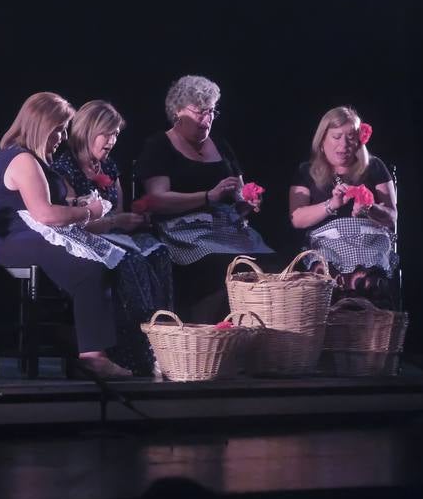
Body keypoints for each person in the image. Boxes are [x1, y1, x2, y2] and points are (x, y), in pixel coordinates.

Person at [0, 92, 129, 379]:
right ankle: (92, 356)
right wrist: (90, 212)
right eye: (58, 129)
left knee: (107, 263)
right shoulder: (21, 159)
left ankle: (84, 339)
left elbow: (49, 207)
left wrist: (76, 205)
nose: (62, 136)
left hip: (29, 231)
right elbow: (45, 214)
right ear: (40, 125)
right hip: (11, 238)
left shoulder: (35, 159)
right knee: (89, 270)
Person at [134, 75, 272, 323]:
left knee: (266, 264)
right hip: (183, 233)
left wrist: (247, 203)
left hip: (224, 228)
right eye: (199, 112)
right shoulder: (159, 146)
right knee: (221, 265)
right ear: (178, 112)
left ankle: (250, 337)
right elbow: (156, 200)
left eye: (211, 112)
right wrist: (208, 197)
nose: (207, 119)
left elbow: (239, 193)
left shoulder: (220, 144)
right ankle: (206, 338)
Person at [50, 100, 170, 376]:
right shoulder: (64, 168)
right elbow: (72, 222)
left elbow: (117, 211)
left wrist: (134, 219)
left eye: (116, 134)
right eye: (107, 133)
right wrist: (117, 222)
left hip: (112, 234)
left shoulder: (109, 167)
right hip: (81, 238)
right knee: (131, 260)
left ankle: (164, 340)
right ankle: (136, 351)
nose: (112, 141)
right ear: (88, 130)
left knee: (160, 252)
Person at [289, 106, 398, 302]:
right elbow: (297, 218)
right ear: (322, 139)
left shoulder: (374, 166)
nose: (344, 144)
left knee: (369, 282)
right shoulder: (306, 171)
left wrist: (370, 209)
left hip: (368, 240)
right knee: (324, 277)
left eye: (351, 137)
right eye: (337, 137)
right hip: (328, 244)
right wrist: (331, 204)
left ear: (359, 140)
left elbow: (392, 217)